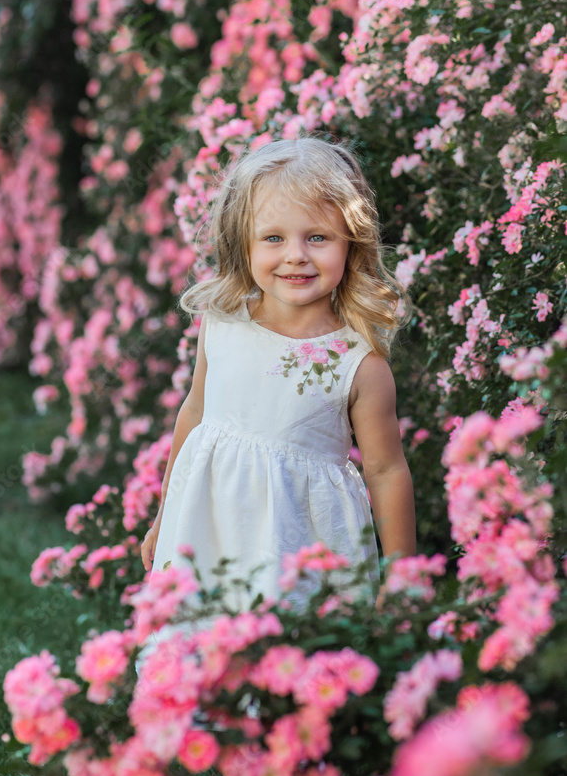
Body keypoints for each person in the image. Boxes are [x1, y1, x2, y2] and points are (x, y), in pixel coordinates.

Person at [140, 133, 416, 615]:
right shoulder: (223, 324)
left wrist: (403, 584)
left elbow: (386, 470)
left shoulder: (357, 362)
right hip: (207, 529)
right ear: (242, 242)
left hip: (299, 545)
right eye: (273, 238)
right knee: (198, 644)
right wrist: (166, 515)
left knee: (288, 661)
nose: (296, 255)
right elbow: (195, 413)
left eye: (317, 237)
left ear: (350, 243)